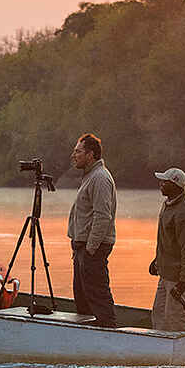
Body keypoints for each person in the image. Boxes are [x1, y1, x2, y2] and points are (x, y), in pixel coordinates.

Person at [67, 133, 119, 327]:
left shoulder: (100, 178)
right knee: (83, 297)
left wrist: (90, 248)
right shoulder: (90, 175)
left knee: (97, 294)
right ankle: (88, 336)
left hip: (93, 247)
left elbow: (102, 216)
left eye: (78, 151)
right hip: (84, 246)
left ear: (90, 154)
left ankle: (108, 331)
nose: (74, 155)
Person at [148, 167, 185, 331]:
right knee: (159, 315)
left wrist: (183, 281)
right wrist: (157, 260)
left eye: (165, 182)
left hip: (178, 277)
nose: (161, 184)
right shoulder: (168, 205)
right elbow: (167, 240)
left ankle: (183, 355)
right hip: (165, 274)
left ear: (176, 185)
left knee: (177, 321)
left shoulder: (184, 212)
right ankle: (159, 355)